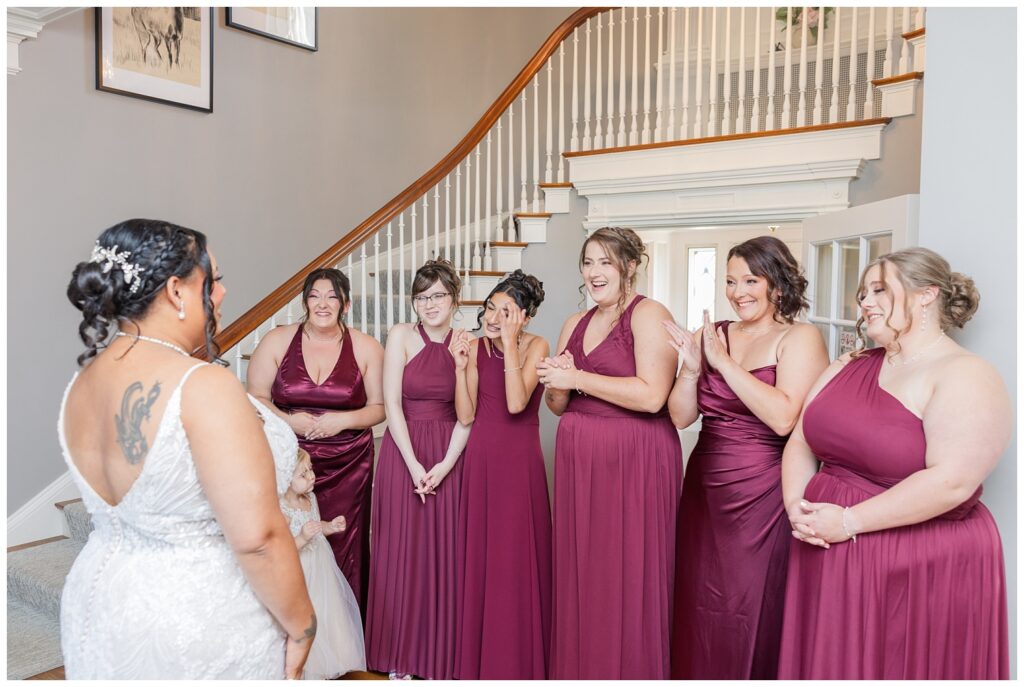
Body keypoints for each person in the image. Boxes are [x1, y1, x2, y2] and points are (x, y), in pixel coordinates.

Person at [60, 219, 314, 679]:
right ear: (177, 291)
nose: (222, 293)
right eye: (212, 280)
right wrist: (302, 626)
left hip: (101, 601)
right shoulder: (203, 384)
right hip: (195, 616)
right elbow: (257, 539)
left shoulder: (83, 382)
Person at [778, 247, 1011, 679]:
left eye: (880, 290)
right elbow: (801, 440)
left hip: (912, 560)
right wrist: (797, 505)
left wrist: (848, 521)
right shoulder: (850, 363)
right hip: (825, 543)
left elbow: (952, 482)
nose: (864, 302)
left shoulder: (966, 374)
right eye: (863, 292)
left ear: (927, 295)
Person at [665, 236, 828, 679]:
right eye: (730, 281)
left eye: (750, 280)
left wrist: (724, 365)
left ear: (777, 284)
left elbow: (783, 418)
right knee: (699, 597)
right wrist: (694, 370)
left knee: (751, 596)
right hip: (705, 483)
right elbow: (681, 417)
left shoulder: (800, 337)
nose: (738, 292)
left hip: (765, 489)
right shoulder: (712, 334)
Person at [538, 227, 681, 679]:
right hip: (580, 460)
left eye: (605, 262)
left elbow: (653, 396)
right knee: (586, 573)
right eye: (588, 262)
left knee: (628, 571)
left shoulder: (648, 314)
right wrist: (556, 380)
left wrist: (577, 377)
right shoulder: (573, 323)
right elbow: (558, 407)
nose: (594, 272)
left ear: (630, 267)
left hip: (635, 460)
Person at [247, 267, 384, 613]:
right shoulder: (277, 340)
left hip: (349, 462)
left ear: (346, 304)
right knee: (290, 537)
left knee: (343, 538)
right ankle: (288, 618)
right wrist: (289, 420)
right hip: (288, 458)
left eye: (332, 296)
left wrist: (342, 421)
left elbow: (379, 408)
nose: (323, 303)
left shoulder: (366, 347)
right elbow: (256, 397)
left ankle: (344, 626)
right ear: (305, 301)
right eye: (314, 295)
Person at [364, 259, 472, 680]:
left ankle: (441, 659)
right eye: (422, 297)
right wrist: (413, 467)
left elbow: (469, 414)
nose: (429, 304)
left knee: (445, 558)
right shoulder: (401, 336)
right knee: (401, 556)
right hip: (402, 454)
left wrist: (444, 466)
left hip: (450, 454)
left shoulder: (469, 342)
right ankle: (398, 658)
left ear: (454, 298)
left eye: (438, 295)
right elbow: (391, 404)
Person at [451, 270, 552, 680]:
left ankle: (518, 664)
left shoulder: (537, 345)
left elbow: (515, 403)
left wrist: (509, 343)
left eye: (506, 311)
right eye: (490, 306)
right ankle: (481, 665)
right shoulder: (474, 347)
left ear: (524, 318)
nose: (493, 317)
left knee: (515, 560)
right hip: (481, 459)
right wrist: (459, 368)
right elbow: (465, 414)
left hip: (519, 463)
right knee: (483, 560)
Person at [281, 449, 366, 679]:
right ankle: (305, 667)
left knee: (326, 614)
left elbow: (317, 527)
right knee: (305, 617)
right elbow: (281, 550)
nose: (311, 476)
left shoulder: (311, 498)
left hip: (321, 568)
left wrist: (330, 527)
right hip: (301, 570)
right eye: (302, 474)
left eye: (310, 470)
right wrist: (301, 538)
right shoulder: (281, 508)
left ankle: (327, 663)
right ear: (284, 479)